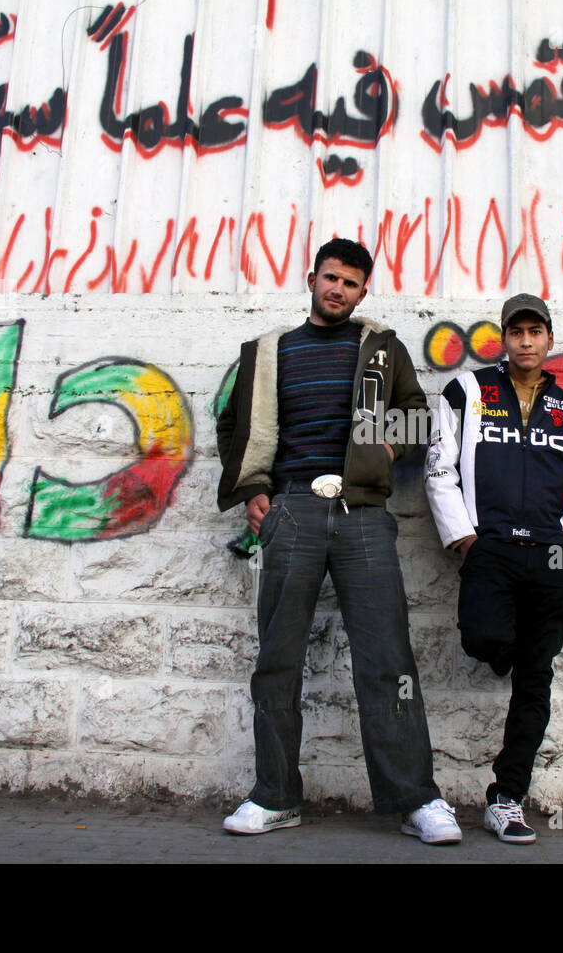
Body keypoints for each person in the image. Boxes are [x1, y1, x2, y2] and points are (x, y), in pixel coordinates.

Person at [216, 238, 460, 844]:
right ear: (312, 278)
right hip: (293, 509)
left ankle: (416, 799)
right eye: (330, 279)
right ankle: (274, 795)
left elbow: (418, 413)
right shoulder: (270, 351)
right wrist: (253, 489)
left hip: (364, 513)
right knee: (277, 659)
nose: (338, 291)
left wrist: (383, 448)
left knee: (387, 659)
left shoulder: (381, 346)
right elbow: (232, 420)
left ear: (363, 291)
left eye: (351, 284)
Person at [425, 292, 563, 844]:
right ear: (505, 338)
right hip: (490, 549)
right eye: (516, 331)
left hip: (550, 557)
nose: (525, 341)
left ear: (549, 339)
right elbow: (438, 466)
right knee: (481, 639)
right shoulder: (468, 391)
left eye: (535, 331)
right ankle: (506, 649)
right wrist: (464, 540)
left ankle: (506, 798)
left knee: (535, 680)